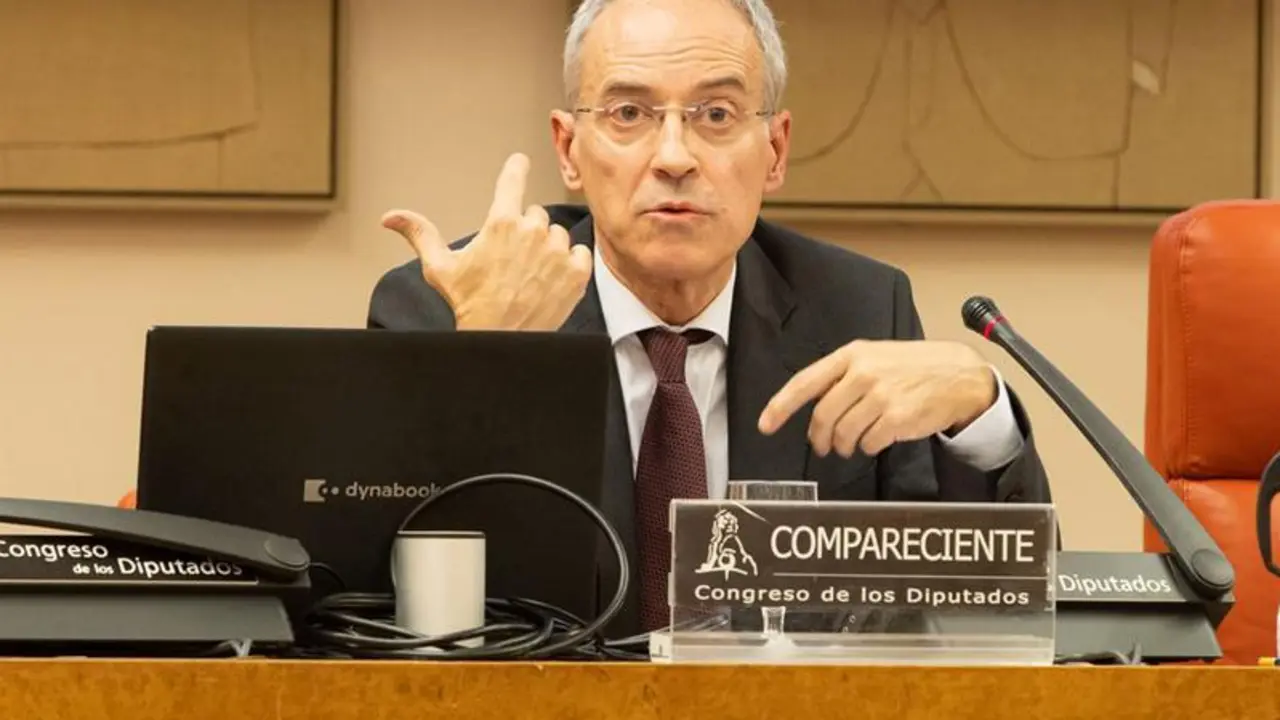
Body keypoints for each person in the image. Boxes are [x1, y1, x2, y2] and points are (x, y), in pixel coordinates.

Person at [366, 0, 1052, 635]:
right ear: (569, 149)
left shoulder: (859, 310)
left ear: (775, 150)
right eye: (629, 114)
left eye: (717, 114)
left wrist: (980, 416)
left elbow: (987, 607)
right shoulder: (447, 306)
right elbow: (369, 607)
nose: (674, 157)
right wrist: (485, 364)